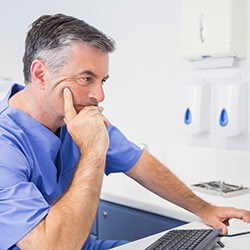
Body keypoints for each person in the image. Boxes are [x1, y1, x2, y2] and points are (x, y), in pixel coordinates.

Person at [0, 13, 249, 250]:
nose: (99, 95)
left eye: (102, 81)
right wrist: (93, 153)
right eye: (86, 79)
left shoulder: (74, 119)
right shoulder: (5, 145)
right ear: (40, 73)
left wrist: (205, 209)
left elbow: (138, 162)